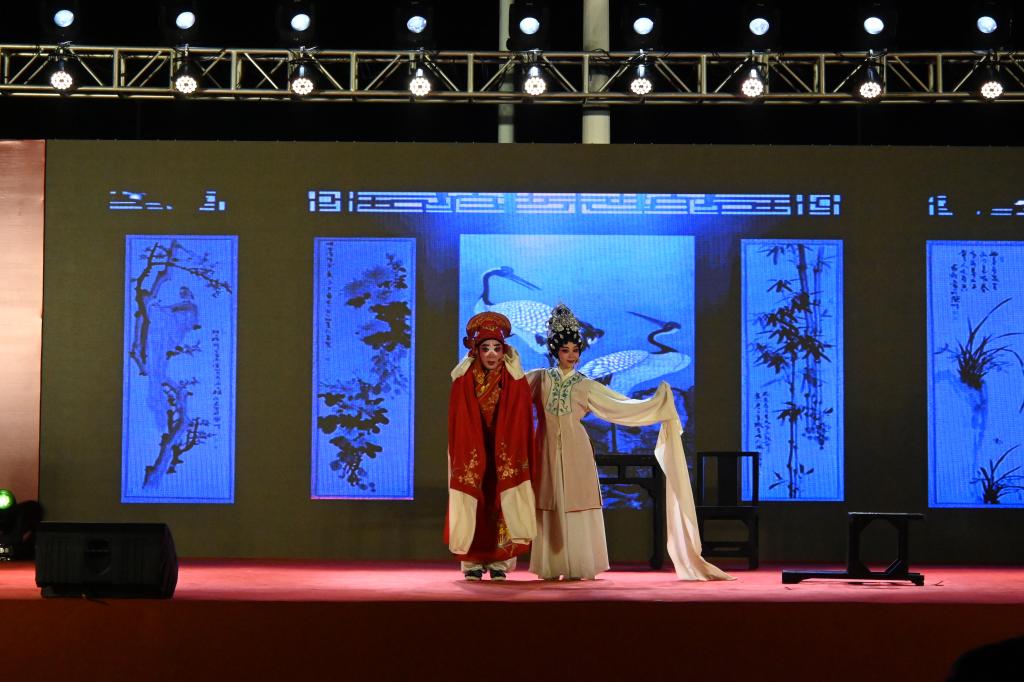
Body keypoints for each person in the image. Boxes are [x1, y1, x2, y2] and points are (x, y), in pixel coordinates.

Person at [527, 304, 731, 581]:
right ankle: (552, 565)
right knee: (550, 503)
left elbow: (620, 406)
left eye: (576, 350)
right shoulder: (539, 378)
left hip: (576, 449)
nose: (572, 356)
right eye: (565, 350)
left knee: (576, 503)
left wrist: (657, 404)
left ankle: (578, 565)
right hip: (545, 448)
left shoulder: (586, 384)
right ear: (555, 351)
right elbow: (511, 392)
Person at [446, 311, 537, 580]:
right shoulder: (464, 379)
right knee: (474, 500)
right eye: (485, 348)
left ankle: (501, 562)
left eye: (497, 348)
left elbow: (522, 418)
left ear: (504, 350)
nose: (491, 354)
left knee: (502, 501)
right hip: (474, 448)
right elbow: (457, 419)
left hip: (504, 449)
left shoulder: (514, 379)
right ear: (476, 350)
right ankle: (472, 562)